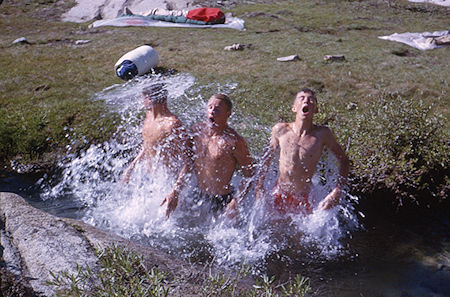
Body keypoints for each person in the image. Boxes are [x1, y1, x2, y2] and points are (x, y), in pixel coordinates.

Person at [255, 88, 349, 215]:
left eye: (311, 99)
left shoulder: (322, 134)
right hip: (279, 193)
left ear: (315, 110)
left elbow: (344, 160)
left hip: (304, 197)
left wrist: (337, 191)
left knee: (301, 234)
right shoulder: (281, 130)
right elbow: (266, 158)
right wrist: (259, 186)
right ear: (294, 108)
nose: (307, 101)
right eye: (302, 98)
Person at [163, 94, 253, 217]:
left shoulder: (234, 141)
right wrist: (175, 191)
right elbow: (188, 163)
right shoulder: (197, 131)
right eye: (210, 107)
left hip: (221, 201)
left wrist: (235, 202)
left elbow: (250, 173)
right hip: (197, 194)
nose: (212, 111)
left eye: (217, 109)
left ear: (228, 114)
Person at [121, 83, 191, 217]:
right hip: (149, 181)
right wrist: (131, 167)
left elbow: (189, 162)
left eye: (143, 98)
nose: (142, 101)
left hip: (169, 184)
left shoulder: (172, 124)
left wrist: (175, 192)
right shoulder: (149, 115)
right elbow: (149, 144)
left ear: (149, 99)